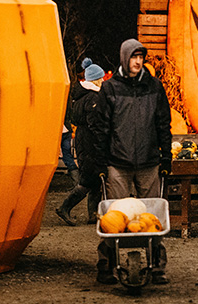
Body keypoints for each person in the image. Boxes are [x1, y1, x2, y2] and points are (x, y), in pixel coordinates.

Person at [93, 39, 172, 285]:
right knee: (114, 219)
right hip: (118, 162)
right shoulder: (111, 89)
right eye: (133, 57)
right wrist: (99, 163)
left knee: (150, 218)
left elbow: (163, 124)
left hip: (149, 161)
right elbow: (101, 128)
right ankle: (106, 264)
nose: (137, 62)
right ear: (124, 58)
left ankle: (157, 265)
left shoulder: (154, 87)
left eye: (141, 57)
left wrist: (166, 155)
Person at [55, 58, 106, 226]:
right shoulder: (93, 98)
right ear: (96, 79)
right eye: (101, 78)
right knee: (89, 178)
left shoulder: (79, 96)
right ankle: (65, 208)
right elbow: (96, 125)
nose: (103, 80)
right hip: (90, 142)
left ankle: (93, 215)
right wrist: (102, 143)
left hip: (82, 140)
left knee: (96, 178)